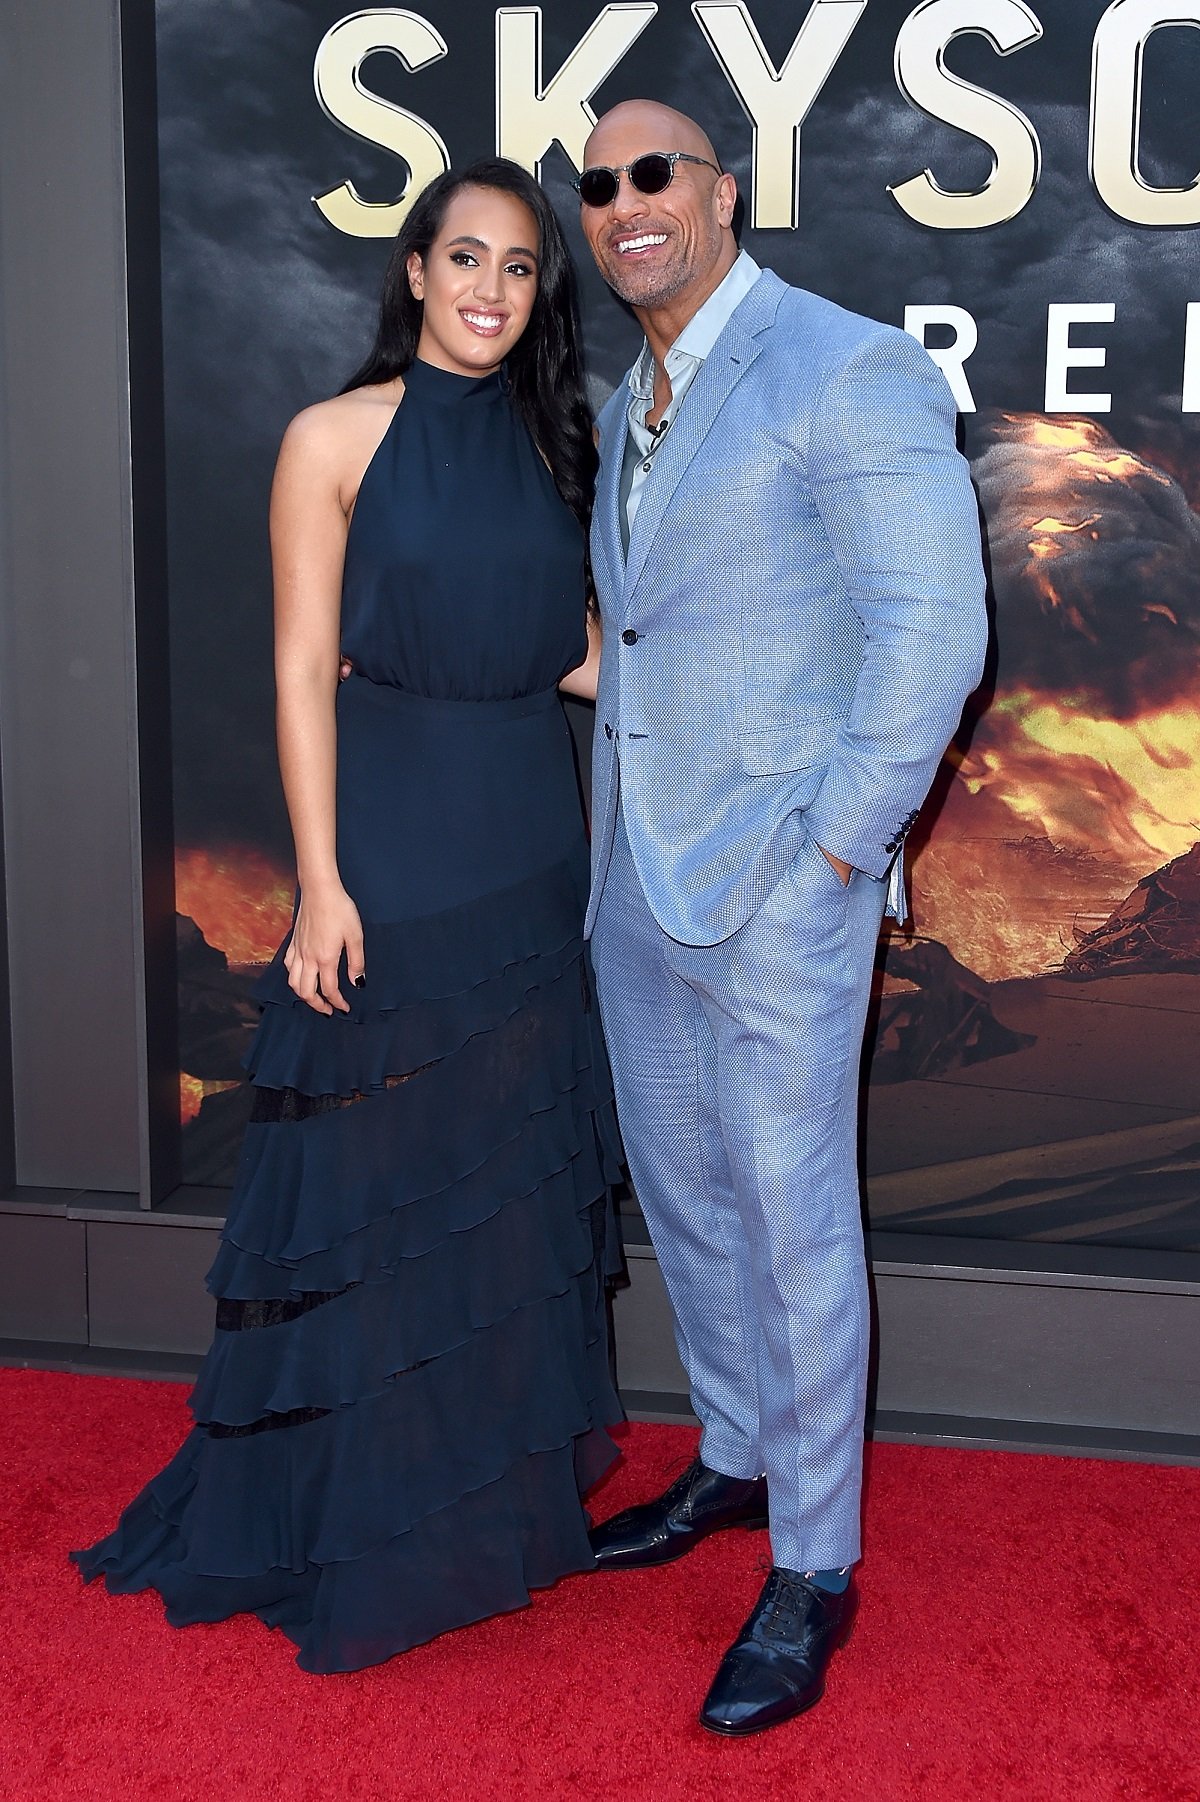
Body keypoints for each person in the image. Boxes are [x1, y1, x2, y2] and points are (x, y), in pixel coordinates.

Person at [72, 159, 623, 1674]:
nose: (491, 292)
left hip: (529, 840)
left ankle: (466, 1504)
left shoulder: (550, 440)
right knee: (380, 1186)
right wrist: (320, 880)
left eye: (520, 269)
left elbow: (582, 658)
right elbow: (301, 666)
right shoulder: (331, 437)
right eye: (466, 258)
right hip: (392, 842)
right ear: (415, 267)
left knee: (495, 1187)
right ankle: (348, 1511)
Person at [576, 102, 988, 1735]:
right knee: (686, 1200)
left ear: (721, 189)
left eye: (652, 174)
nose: (624, 207)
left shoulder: (849, 365)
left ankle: (815, 1564)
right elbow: (667, 632)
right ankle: (736, 1462)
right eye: (596, 189)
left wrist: (838, 851)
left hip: (776, 890)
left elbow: (935, 634)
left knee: (797, 1222)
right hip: (633, 874)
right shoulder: (629, 401)